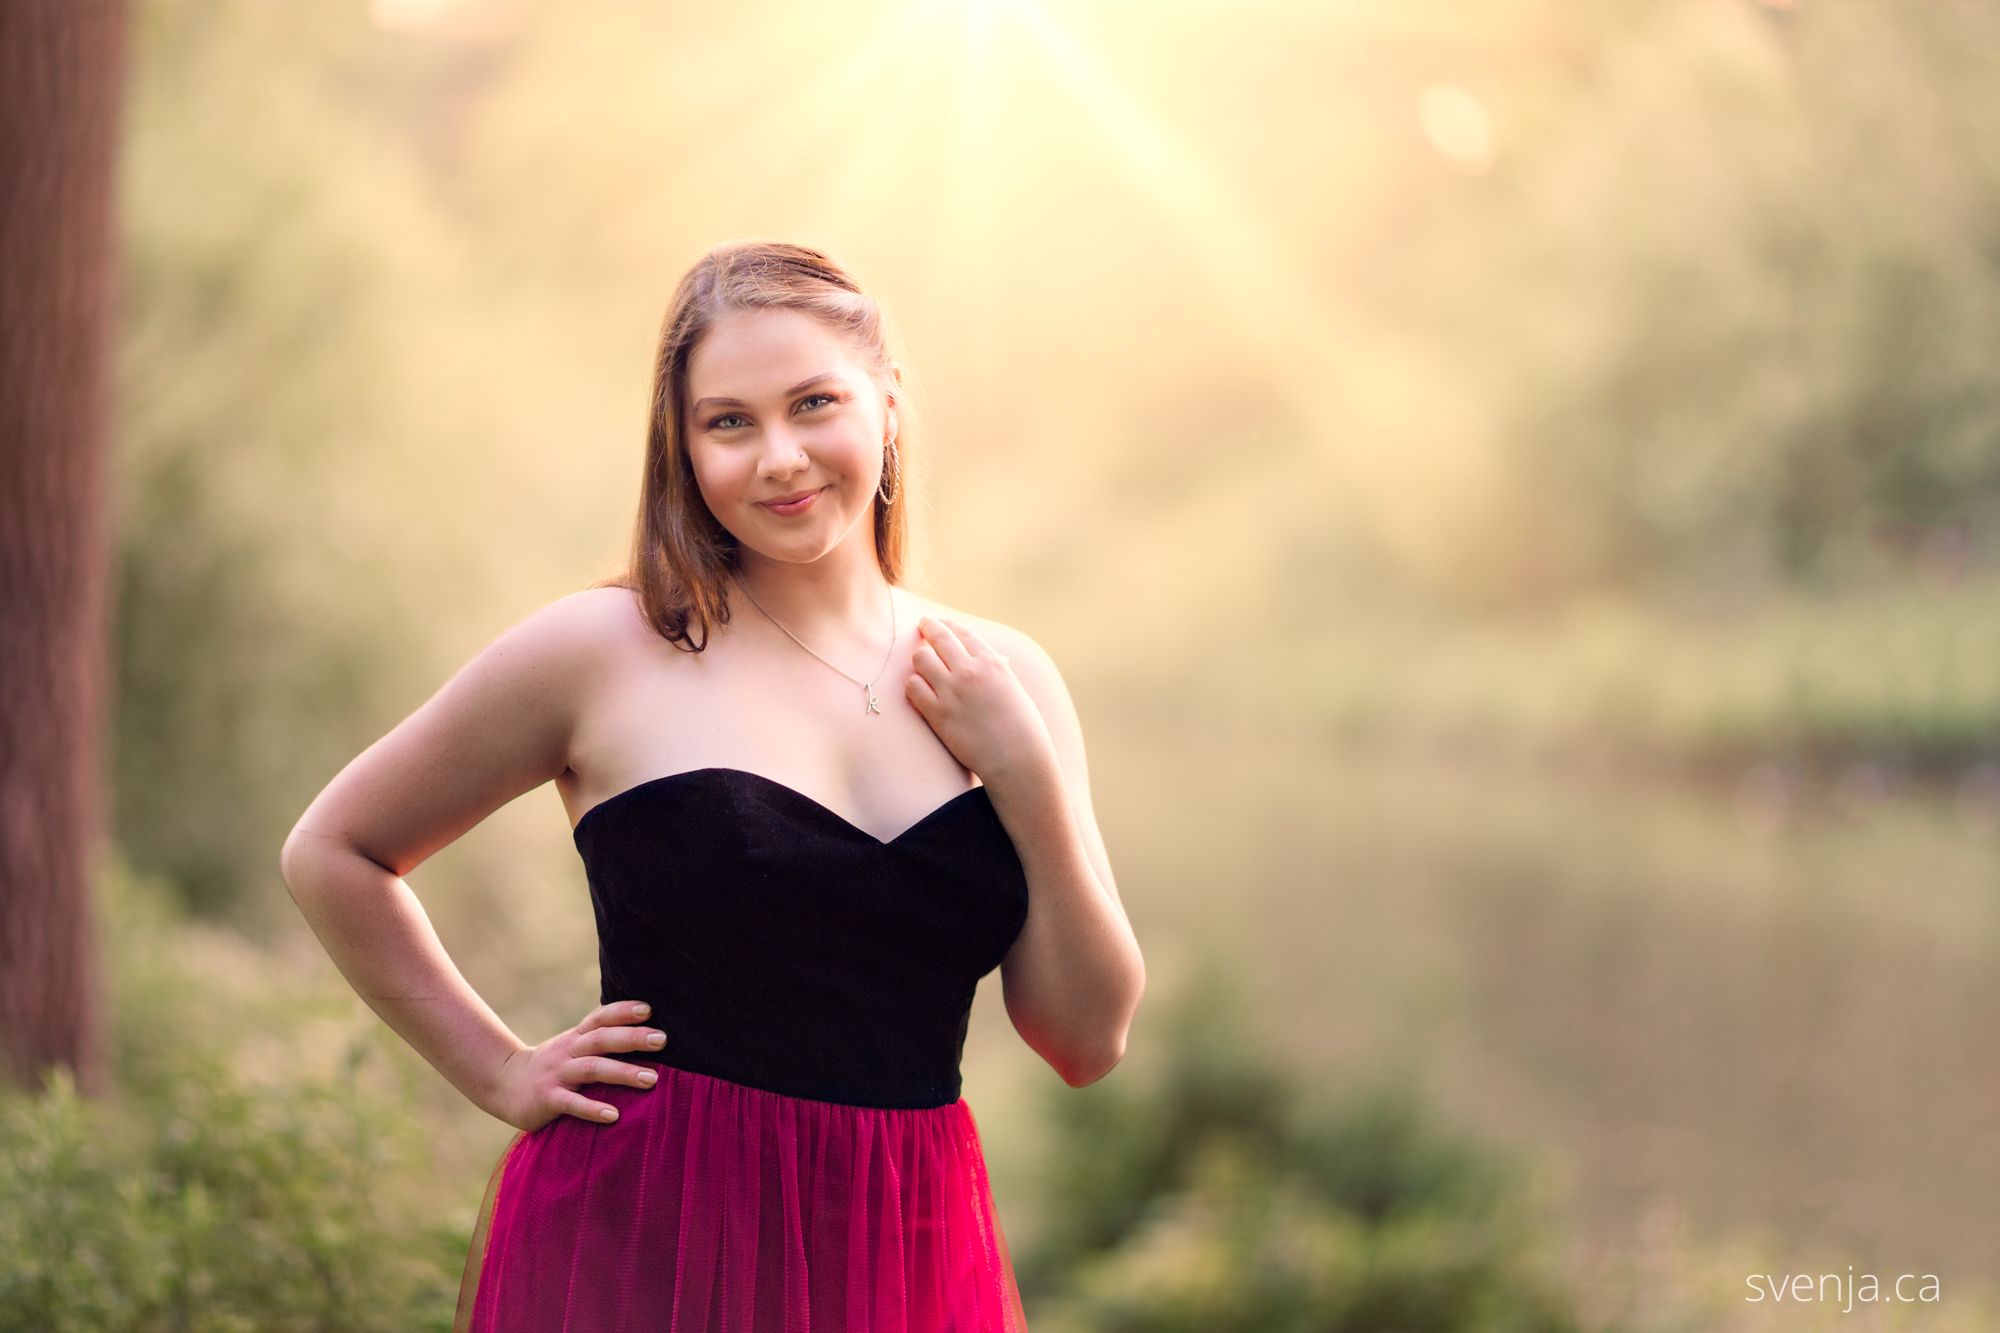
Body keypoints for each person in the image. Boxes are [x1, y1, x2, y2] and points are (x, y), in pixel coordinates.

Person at [278, 239, 1146, 1331]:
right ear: (682, 450)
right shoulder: (604, 648)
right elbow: (334, 851)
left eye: (813, 403)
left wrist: (1025, 777)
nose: (778, 456)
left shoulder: (1002, 677)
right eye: (728, 421)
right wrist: (498, 1069)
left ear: (886, 408)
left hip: (902, 1246)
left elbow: (1084, 1039)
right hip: (649, 1233)